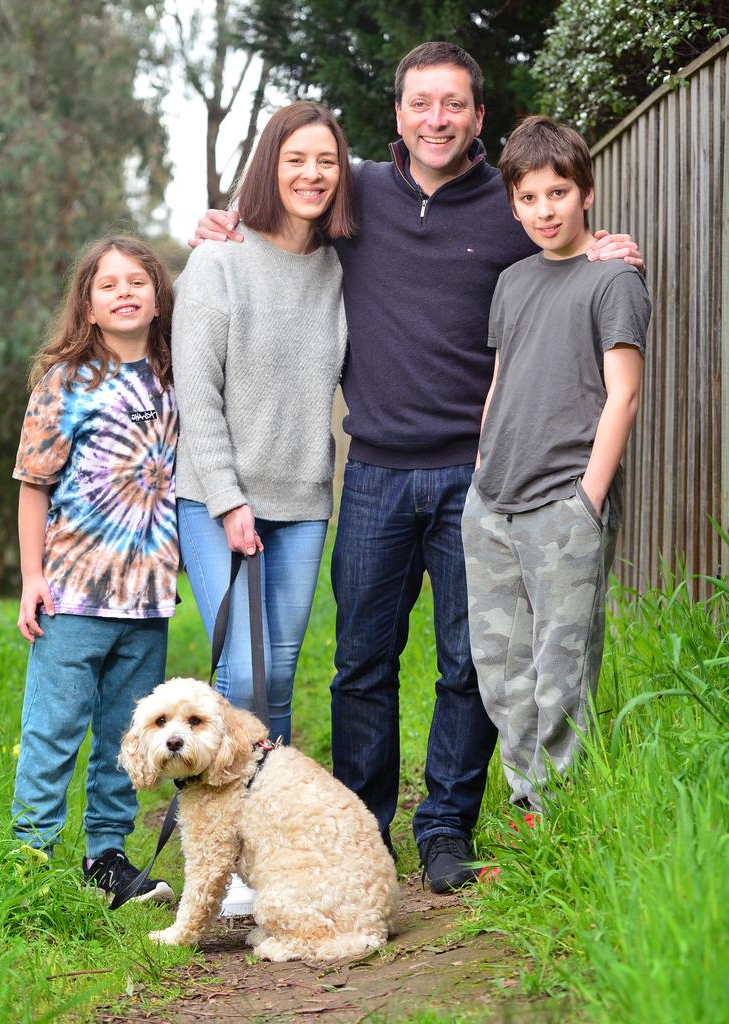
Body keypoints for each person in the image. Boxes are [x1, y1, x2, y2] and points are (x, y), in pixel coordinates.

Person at [192, 41, 644, 893]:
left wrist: (601, 250)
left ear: (478, 117)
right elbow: (286, 204)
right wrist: (221, 225)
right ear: (397, 114)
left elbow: (560, 243)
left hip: (477, 478)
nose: (437, 119)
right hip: (373, 473)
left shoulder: (507, 206)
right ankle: (365, 830)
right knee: (362, 659)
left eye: (454, 105)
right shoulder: (357, 191)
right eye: (421, 104)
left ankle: (445, 828)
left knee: (468, 663)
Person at [172, 101, 353, 914]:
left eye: (326, 161)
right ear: (268, 166)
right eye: (296, 159)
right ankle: (213, 854)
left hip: (305, 497)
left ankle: (257, 856)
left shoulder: (342, 266)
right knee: (239, 672)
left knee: (276, 677)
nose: (312, 174)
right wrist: (228, 498)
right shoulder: (217, 262)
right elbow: (196, 395)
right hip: (218, 500)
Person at [462, 116, 650, 813]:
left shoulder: (613, 279)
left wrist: (588, 501)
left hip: (563, 505)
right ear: (513, 204)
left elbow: (623, 394)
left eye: (559, 193)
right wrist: (481, 473)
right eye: (531, 197)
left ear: (587, 192)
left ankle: (563, 819)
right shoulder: (512, 281)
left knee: (559, 674)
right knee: (503, 674)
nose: (546, 210)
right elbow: (501, 382)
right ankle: (528, 802)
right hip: (493, 503)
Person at [12, 236, 178, 904]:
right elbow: (32, 482)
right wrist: (31, 576)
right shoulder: (66, 383)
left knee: (123, 739)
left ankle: (106, 859)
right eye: (108, 284)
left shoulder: (175, 375)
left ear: (159, 296)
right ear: (87, 304)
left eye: (138, 281)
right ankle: (28, 860)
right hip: (74, 595)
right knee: (52, 732)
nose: (125, 293)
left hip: (147, 600)